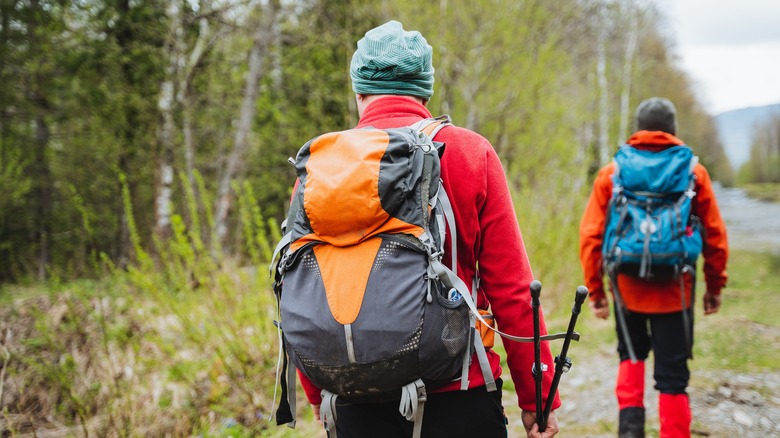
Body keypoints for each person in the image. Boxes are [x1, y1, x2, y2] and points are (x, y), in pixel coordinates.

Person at [295, 20, 561, 438]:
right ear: (424, 90)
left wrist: (316, 391)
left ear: (359, 92)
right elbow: (513, 287)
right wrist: (537, 398)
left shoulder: (320, 167)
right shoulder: (470, 152)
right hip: (459, 395)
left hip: (353, 402)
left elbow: (303, 287)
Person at [579, 97, 729, 437]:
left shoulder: (612, 173)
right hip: (676, 289)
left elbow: (590, 236)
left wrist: (598, 291)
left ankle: (630, 433)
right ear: (673, 130)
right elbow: (716, 236)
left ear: (637, 129)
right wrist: (715, 287)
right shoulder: (694, 172)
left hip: (626, 289)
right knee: (673, 377)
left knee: (630, 357)